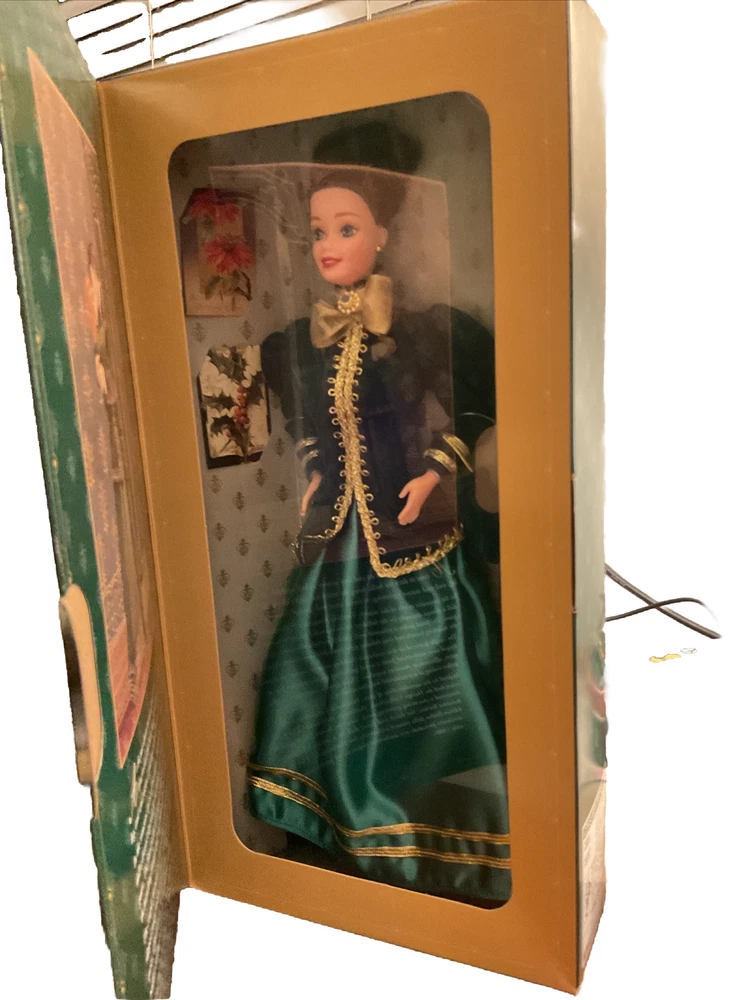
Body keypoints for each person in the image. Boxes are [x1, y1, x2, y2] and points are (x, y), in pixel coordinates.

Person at [247, 166, 510, 901]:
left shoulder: (422, 330)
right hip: (339, 536)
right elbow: (311, 423)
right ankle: (331, 821)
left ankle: (441, 832)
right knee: (314, 663)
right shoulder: (304, 341)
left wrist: (434, 473)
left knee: (427, 677)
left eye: (347, 227)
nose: (327, 244)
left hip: (411, 534)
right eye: (318, 232)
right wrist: (313, 472)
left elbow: (473, 408)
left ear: (384, 235)